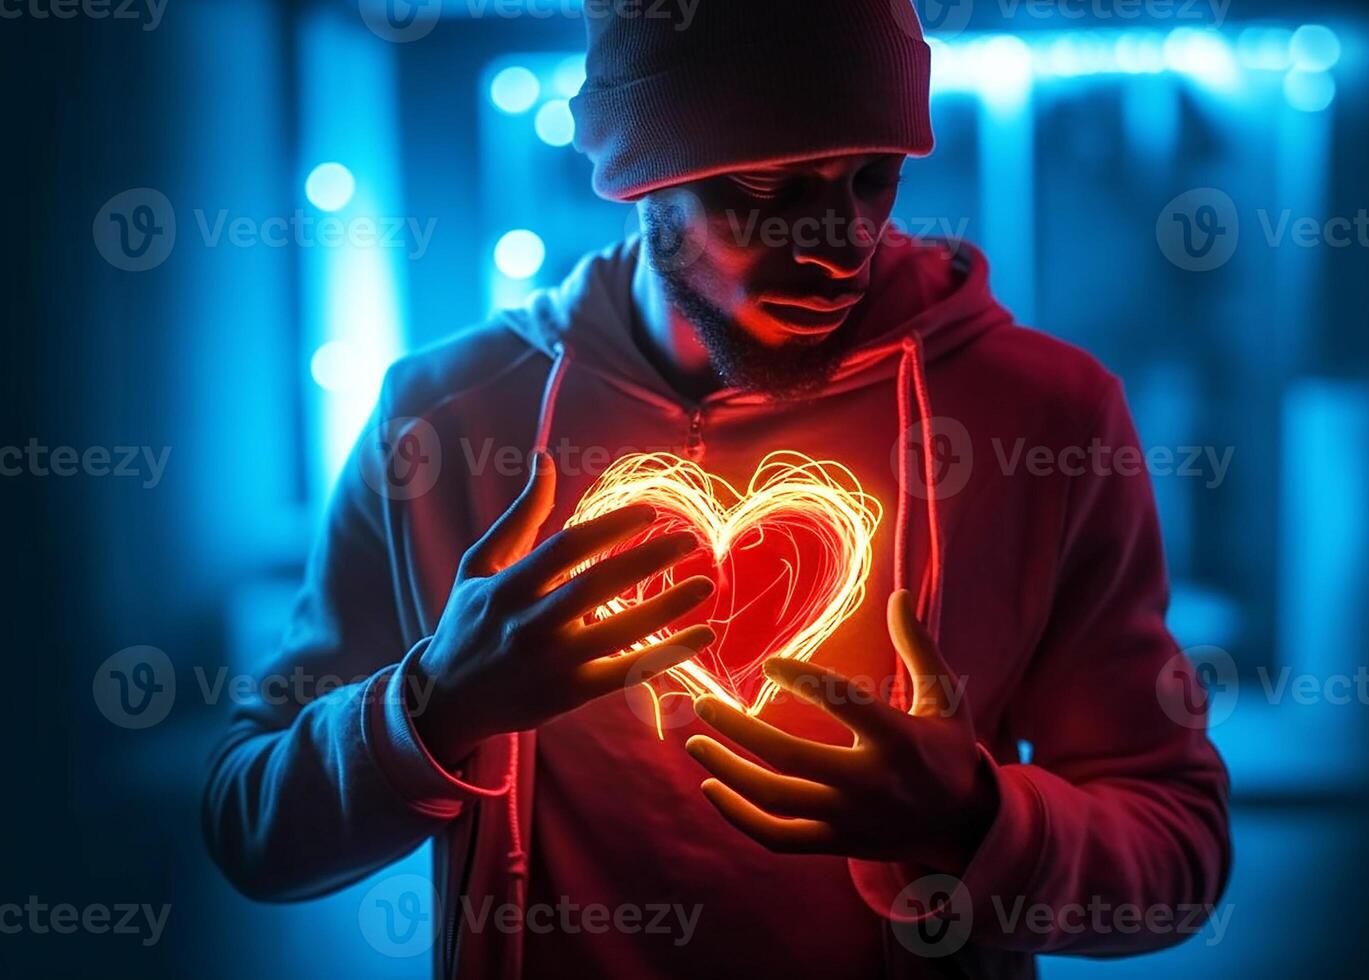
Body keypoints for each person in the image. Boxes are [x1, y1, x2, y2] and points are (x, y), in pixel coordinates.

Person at [203, 2, 1231, 976]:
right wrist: (434, 706)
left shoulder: (1044, 415)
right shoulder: (443, 418)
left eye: (871, 178)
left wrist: (971, 822)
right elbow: (252, 825)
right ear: (639, 179)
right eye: (768, 193)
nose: (839, 246)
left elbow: (1181, 852)